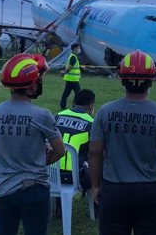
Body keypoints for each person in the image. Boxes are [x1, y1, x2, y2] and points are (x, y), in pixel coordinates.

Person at [88, 50, 156, 234]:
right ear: (151, 81)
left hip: (114, 191)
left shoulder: (104, 112)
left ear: (122, 80)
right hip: (150, 192)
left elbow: (94, 152)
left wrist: (96, 185)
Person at [0, 53, 66, 235]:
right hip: (34, 189)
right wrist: (42, 159)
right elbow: (60, 151)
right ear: (31, 85)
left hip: (3, 189)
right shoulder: (42, 115)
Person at [53, 89, 96, 217]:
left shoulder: (57, 116)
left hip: (51, 174)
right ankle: (97, 203)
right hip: (76, 176)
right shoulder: (91, 124)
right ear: (91, 106)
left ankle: (59, 205)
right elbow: (97, 153)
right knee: (101, 162)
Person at [60, 43, 81, 110]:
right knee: (78, 93)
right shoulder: (73, 57)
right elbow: (70, 67)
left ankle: (62, 105)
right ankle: (75, 106)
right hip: (73, 79)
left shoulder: (72, 56)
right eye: (78, 48)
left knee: (66, 93)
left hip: (69, 78)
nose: (79, 49)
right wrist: (64, 72)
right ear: (75, 49)